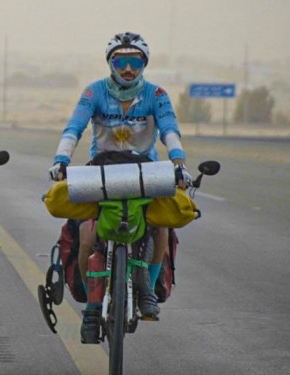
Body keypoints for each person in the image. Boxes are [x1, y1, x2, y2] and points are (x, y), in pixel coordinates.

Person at [48, 32, 192, 344]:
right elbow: (74, 127)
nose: (128, 69)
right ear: (111, 63)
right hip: (102, 170)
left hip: (146, 171)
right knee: (87, 234)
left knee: (161, 227)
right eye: (121, 61)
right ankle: (91, 306)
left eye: (135, 62)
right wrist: (61, 159)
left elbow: (169, 128)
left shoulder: (157, 94)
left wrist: (178, 161)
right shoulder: (94, 91)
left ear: (144, 64)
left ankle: (147, 293)